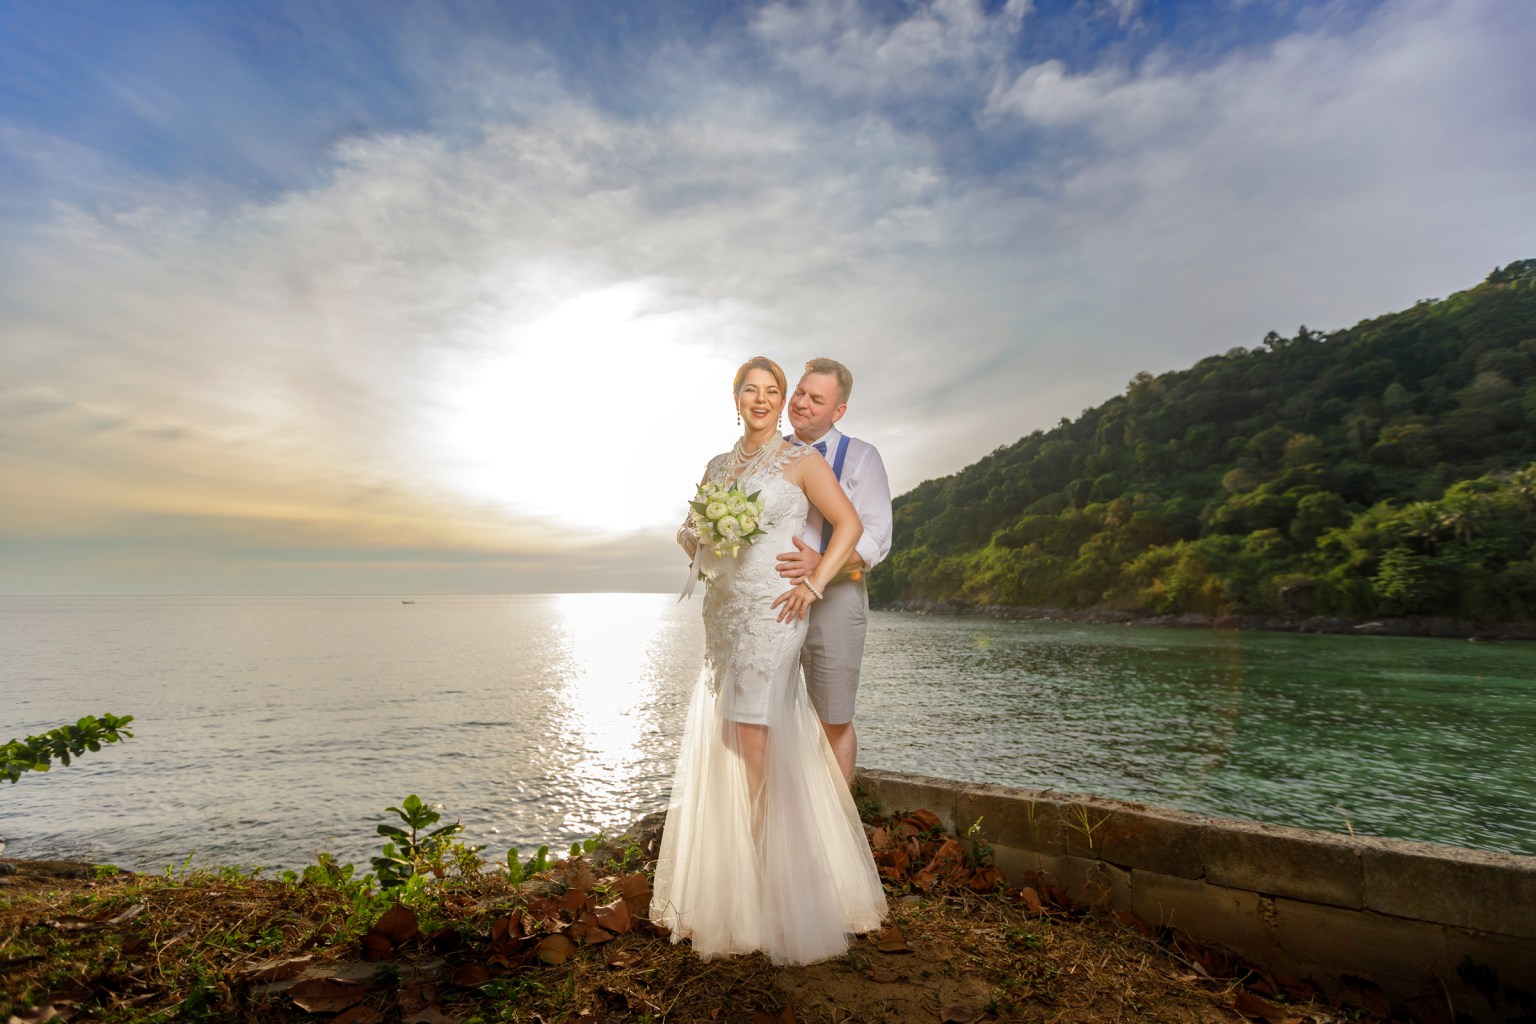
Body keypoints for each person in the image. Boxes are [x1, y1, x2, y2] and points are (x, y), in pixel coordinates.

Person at [651, 356, 887, 966]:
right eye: (751, 390)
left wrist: (814, 582)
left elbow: (851, 524)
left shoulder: (801, 460)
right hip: (725, 615)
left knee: (756, 738)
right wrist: (702, 535)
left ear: (782, 402)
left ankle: (781, 883)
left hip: (776, 614)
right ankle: (776, 864)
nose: (763, 399)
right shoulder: (717, 466)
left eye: (773, 390)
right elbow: (688, 532)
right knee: (734, 736)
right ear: (735, 399)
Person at [775, 359, 892, 785]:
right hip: (775, 600)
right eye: (800, 392)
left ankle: (837, 821)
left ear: (838, 411)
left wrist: (821, 567)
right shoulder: (771, 452)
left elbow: (877, 538)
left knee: (833, 718)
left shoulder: (862, 457)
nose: (801, 403)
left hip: (837, 601)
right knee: (768, 713)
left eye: (816, 399)